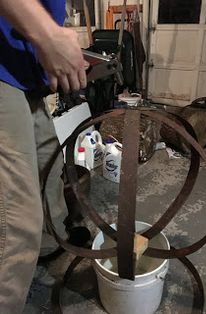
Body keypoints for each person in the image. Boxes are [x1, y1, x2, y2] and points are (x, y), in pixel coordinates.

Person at [0, 1, 88, 313]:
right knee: (15, 218)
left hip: (23, 68)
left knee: (48, 162)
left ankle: (50, 243)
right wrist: (48, 35)